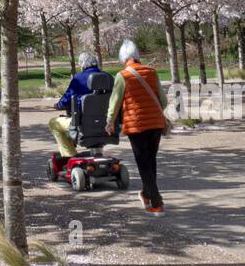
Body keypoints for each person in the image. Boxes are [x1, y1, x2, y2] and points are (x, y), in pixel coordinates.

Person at [106, 40, 168, 215]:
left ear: (122, 57)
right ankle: (147, 194)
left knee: (143, 163)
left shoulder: (123, 75)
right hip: (155, 124)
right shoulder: (152, 72)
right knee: (151, 161)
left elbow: (115, 102)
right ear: (137, 55)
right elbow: (163, 101)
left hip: (136, 125)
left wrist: (110, 122)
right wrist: (153, 113)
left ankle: (157, 203)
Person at [48, 52, 104, 158]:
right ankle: (97, 152)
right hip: (104, 123)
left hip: (82, 123)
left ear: (83, 64)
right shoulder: (107, 77)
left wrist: (58, 105)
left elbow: (66, 99)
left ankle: (70, 155)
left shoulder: (79, 78)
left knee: (53, 123)